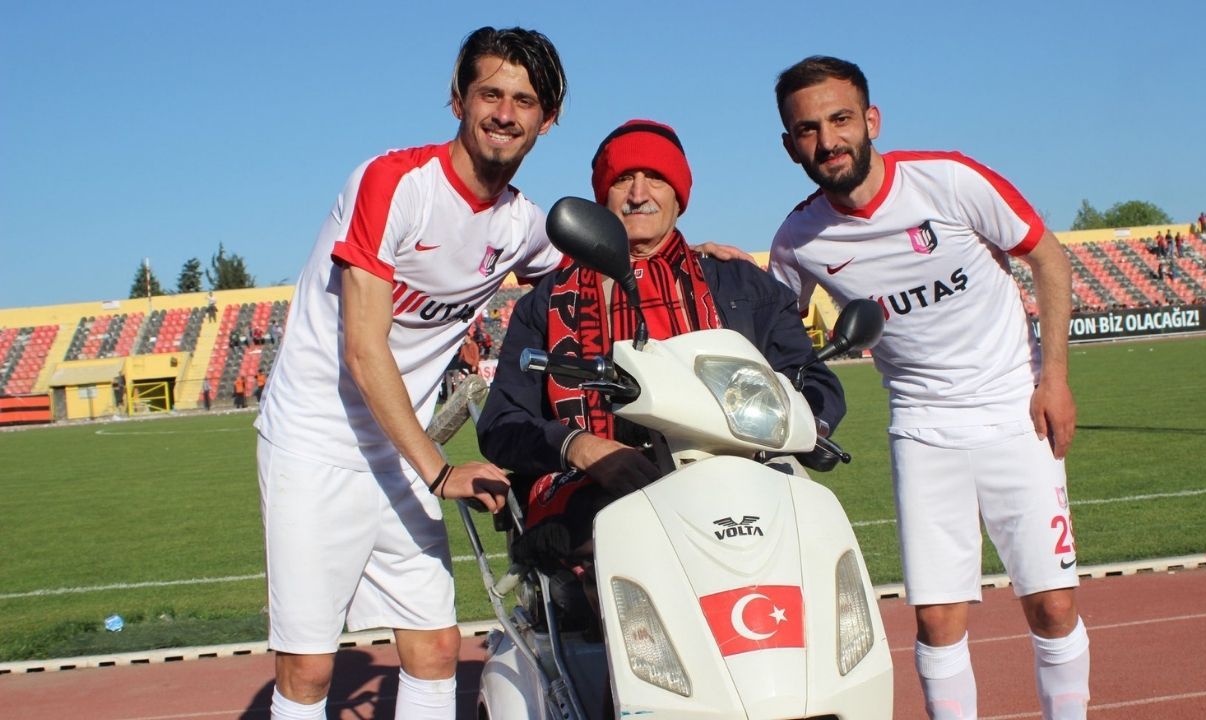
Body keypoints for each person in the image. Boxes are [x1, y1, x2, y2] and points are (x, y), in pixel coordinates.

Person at [252, 28, 746, 720]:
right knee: (307, 667)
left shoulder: (521, 225)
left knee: (434, 649)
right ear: (457, 99)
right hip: (316, 444)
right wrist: (439, 473)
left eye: (525, 101)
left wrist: (706, 260)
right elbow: (363, 350)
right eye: (490, 94)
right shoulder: (394, 184)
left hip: (399, 448)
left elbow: (602, 271)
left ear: (549, 118)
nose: (505, 114)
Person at [768, 57, 1089, 719]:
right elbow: (775, 323)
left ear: (871, 120)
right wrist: (727, 266)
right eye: (807, 129)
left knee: (1053, 605)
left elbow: (1047, 256)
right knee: (938, 622)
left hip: (1014, 412)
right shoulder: (799, 239)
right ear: (789, 145)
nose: (827, 140)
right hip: (921, 428)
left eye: (840, 119)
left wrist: (1054, 378)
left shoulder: (948, 180)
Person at [476, 119, 845, 594]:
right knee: (623, 553)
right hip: (597, 497)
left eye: (655, 177)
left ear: (679, 195)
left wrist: (808, 426)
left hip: (739, 483)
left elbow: (813, 381)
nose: (638, 193)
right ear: (601, 198)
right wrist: (582, 447)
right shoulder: (546, 303)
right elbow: (502, 423)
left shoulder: (738, 283)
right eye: (622, 180)